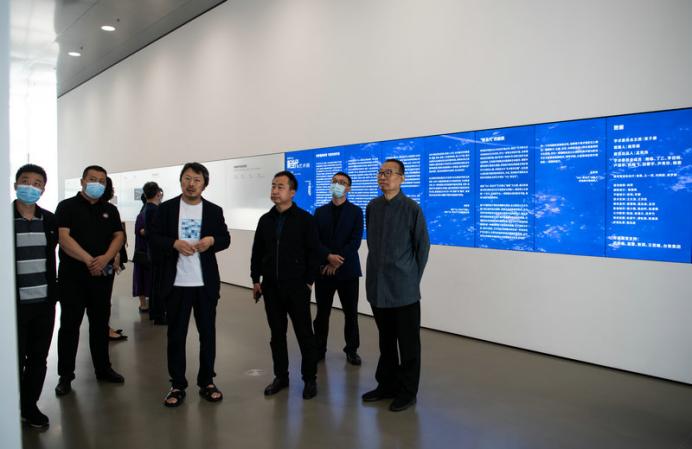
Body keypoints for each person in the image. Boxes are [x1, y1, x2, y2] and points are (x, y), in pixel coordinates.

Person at [150, 162, 230, 407]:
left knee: (208, 334)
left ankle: (207, 381)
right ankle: (177, 384)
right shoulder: (166, 209)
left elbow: (225, 238)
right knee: (176, 335)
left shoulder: (214, 211)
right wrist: (173, 243)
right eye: (187, 178)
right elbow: (153, 237)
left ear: (204, 184)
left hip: (204, 284)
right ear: (180, 181)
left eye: (196, 179)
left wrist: (212, 240)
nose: (191, 184)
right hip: (176, 283)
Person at [362, 159, 430, 412]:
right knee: (386, 341)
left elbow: (422, 247)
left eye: (389, 173)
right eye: (380, 173)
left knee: (408, 344)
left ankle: (408, 392)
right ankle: (387, 385)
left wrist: (411, 278)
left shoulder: (412, 208)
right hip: (378, 288)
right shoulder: (373, 206)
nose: (383, 176)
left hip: (404, 289)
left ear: (402, 178)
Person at [54, 165, 126, 396]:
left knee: (100, 324)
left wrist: (105, 259)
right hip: (72, 277)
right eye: (92, 179)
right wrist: (89, 260)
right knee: (70, 326)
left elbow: (119, 236)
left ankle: (103, 368)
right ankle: (66, 375)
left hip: (102, 278)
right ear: (83, 181)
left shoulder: (109, 210)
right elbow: (63, 238)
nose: (97, 184)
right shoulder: (66, 207)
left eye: (101, 181)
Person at [251, 170, 320, 400]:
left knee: (304, 334)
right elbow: (257, 252)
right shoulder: (265, 220)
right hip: (271, 287)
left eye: (280, 187)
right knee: (277, 335)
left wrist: (308, 282)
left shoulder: (305, 219)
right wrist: (255, 279)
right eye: (273, 186)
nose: (275, 190)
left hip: (297, 287)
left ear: (292, 192)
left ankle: (309, 378)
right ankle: (281, 376)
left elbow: (314, 253)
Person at [13, 164, 58, 428]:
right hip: (13, 304)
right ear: (15, 185)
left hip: (43, 301)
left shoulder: (49, 220)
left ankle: (29, 406)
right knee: (13, 358)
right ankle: (10, 405)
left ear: (43, 189)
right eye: (25, 181)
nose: (31, 186)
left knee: (38, 358)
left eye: (37, 183)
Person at [312, 171, 364, 365]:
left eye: (342, 182)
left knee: (351, 313)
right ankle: (319, 349)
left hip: (348, 271)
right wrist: (328, 258)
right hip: (324, 271)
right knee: (322, 313)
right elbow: (315, 240)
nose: (338, 185)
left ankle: (352, 350)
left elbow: (355, 241)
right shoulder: (320, 212)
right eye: (334, 181)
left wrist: (337, 260)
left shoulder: (356, 212)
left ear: (348, 188)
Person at [101, 176, 128, 342]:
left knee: (105, 296)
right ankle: (104, 329)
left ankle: (105, 327)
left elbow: (117, 236)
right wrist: (114, 256)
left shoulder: (109, 210)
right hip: (103, 262)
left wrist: (114, 256)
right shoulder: (107, 209)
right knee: (103, 298)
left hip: (107, 261)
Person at [133, 182, 163, 318]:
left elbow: (140, 231)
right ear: (158, 194)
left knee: (142, 278)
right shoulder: (156, 211)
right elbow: (143, 231)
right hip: (150, 252)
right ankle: (153, 305)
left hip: (143, 251)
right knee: (153, 279)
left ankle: (144, 304)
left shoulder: (142, 212)